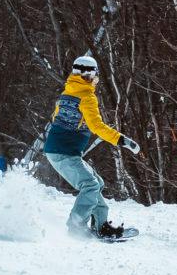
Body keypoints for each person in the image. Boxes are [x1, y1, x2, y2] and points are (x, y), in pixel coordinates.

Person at [38, 53, 136, 241]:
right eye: (95, 76)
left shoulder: (67, 92)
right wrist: (122, 140)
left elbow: (55, 118)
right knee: (90, 185)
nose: (96, 80)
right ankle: (76, 226)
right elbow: (97, 126)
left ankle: (101, 226)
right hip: (63, 152)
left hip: (63, 150)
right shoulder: (87, 97)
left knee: (96, 183)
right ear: (90, 75)